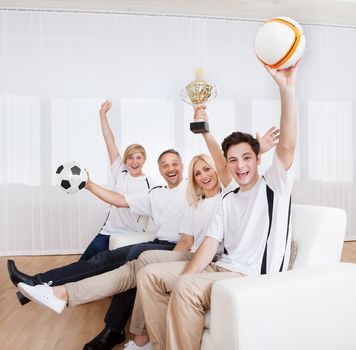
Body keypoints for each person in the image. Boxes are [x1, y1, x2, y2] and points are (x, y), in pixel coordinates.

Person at [136, 61, 299, 350]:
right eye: (233, 160)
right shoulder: (228, 197)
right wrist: (186, 277)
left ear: (258, 159)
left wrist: (286, 90)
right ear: (227, 164)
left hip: (250, 278)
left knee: (185, 285)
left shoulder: (275, 186)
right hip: (222, 268)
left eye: (247, 158)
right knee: (150, 275)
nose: (240, 165)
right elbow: (210, 244)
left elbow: (286, 145)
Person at [18, 153, 224, 350]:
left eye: (175, 163)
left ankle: (108, 324)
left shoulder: (207, 193)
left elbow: (194, 242)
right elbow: (121, 201)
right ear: (159, 170)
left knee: (140, 258)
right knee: (113, 258)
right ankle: (48, 287)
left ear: (182, 166)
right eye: (165, 164)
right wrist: (89, 184)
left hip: (185, 251)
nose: (171, 168)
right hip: (170, 248)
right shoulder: (170, 197)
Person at [80, 100, 154, 260]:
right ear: (125, 161)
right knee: (83, 264)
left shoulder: (151, 184)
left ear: (144, 159)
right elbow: (110, 142)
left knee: (105, 269)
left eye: (138, 158)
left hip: (131, 238)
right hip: (108, 232)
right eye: (130, 158)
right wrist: (102, 115)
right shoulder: (121, 172)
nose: (134, 162)